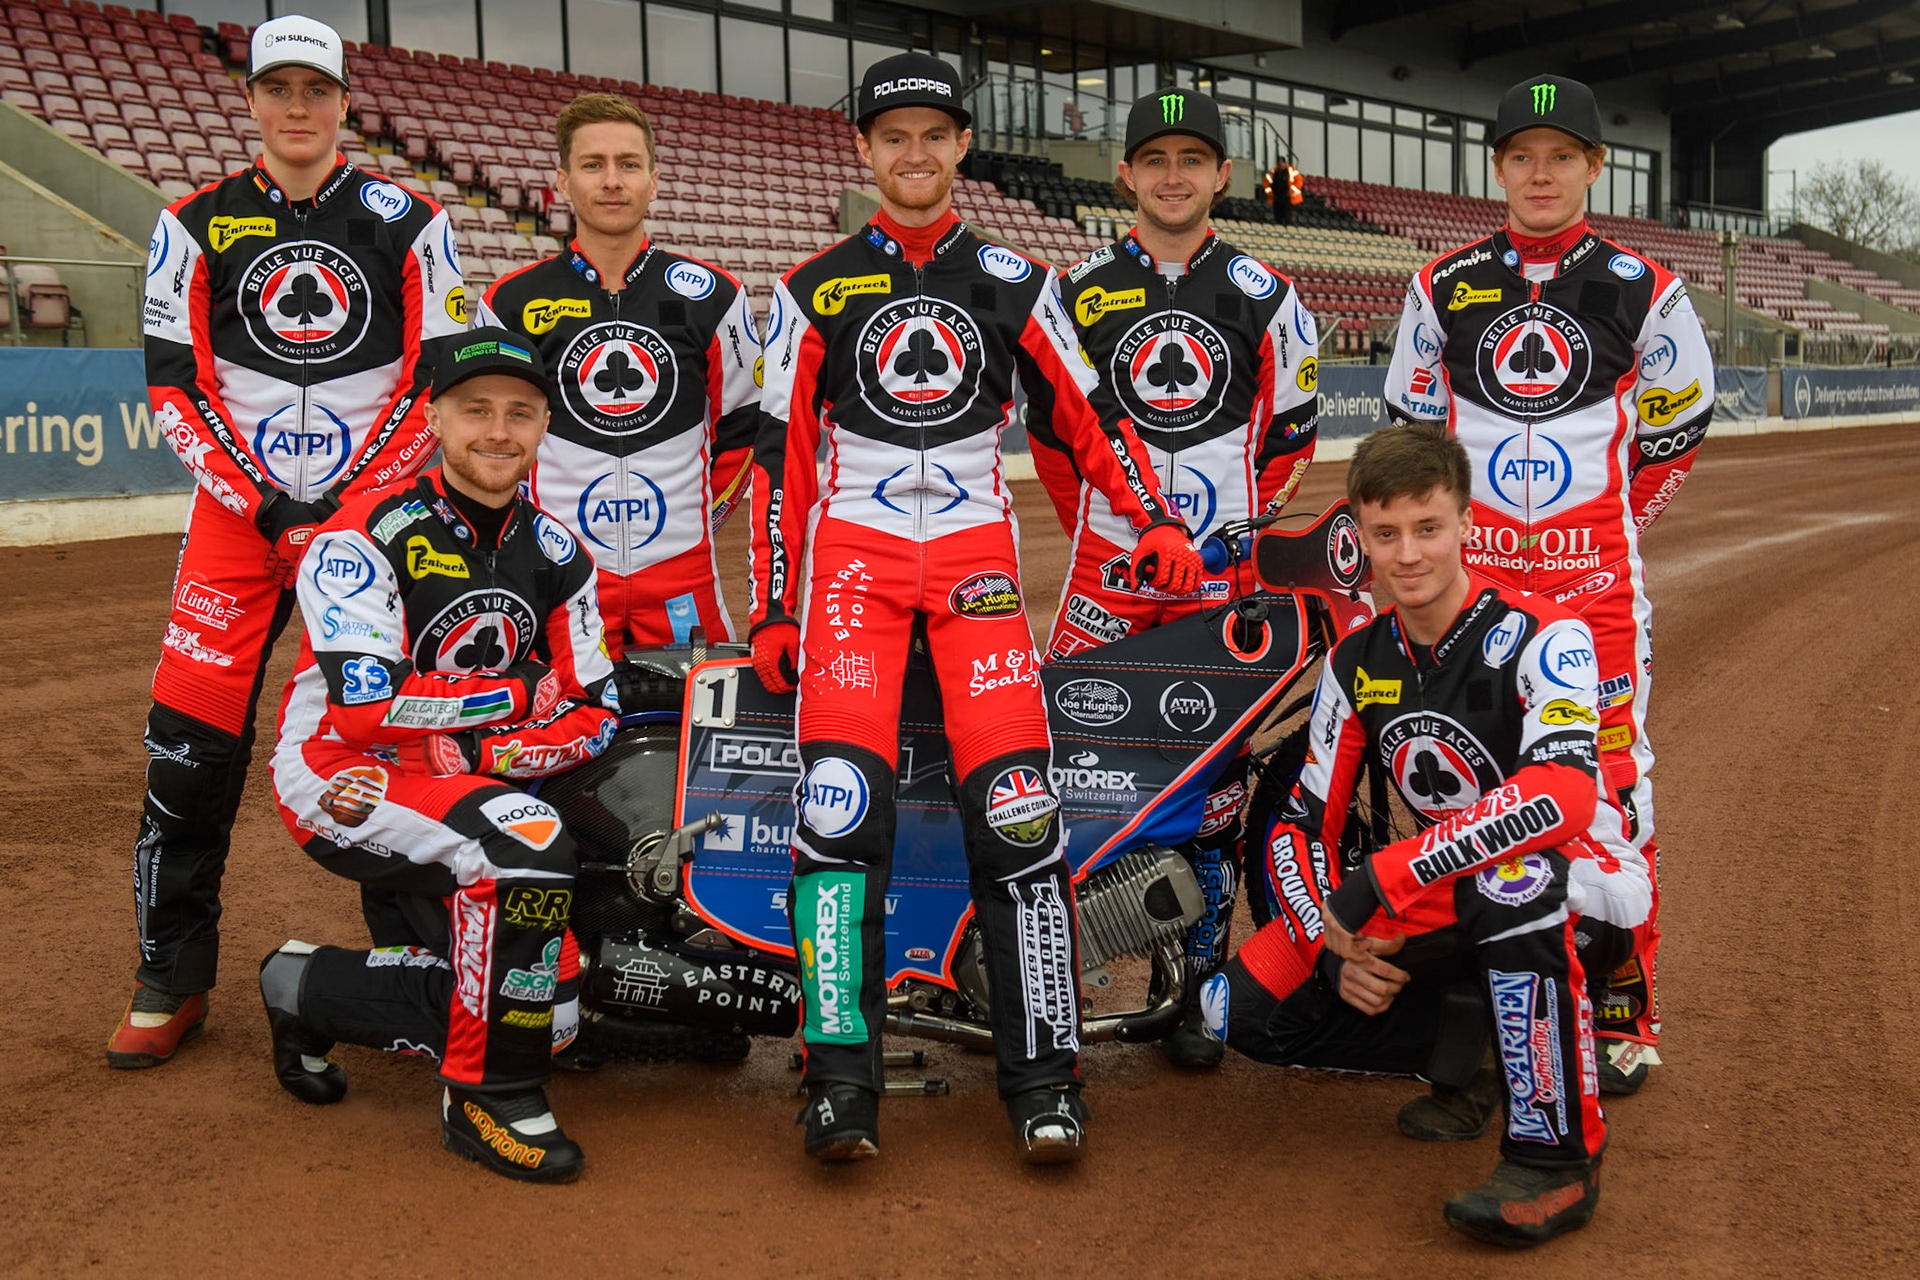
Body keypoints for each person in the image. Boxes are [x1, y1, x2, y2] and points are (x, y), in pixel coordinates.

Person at [749, 52, 1200, 1166]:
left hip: (973, 568)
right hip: (852, 566)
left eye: (933, 133)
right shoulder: (812, 286)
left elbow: (1093, 420)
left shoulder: (1016, 278)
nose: (912, 152)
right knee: (842, 813)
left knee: (1018, 817)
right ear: (864, 149)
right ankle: (838, 1081)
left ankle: (1045, 1079)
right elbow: (777, 459)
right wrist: (771, 604)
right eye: (890, 134)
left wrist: (1153, 520)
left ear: (961, 146)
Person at [112, 15, 466, 1068]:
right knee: (189, 753)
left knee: (389, 736)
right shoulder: (193, 222)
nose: (299, 108)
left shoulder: (413, 218)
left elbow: (435, 376)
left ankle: (417, 976)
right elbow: (174, 386)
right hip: (235, 525)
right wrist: (269, 504)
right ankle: (168, 977)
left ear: (347, 103)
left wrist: (351, 506)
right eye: (280, 90)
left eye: (318, 89)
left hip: (369, 528)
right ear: (254, 101)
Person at [1200, 423, 1652, 1247]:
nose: (1408, 554)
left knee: (1508, 883)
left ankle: (1557, 1161)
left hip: (1585, 883)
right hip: (1442, 890)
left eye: (1427, 528)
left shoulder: (1549, 635)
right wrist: (1329, 939)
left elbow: (1562, 795)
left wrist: (1387, 876)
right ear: (1362, 539)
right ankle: (1477, 1045)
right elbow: (1304, 818)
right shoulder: (1356, 659)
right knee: (1240, 1012)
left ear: (1466, 524)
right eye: (1386, 534)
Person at [1381, 74, 1713, 1091]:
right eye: (1522, 155)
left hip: (1597, 598)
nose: (1539, 172)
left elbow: (1680, 421)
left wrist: (1611, 524)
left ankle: (1623, 1009)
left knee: (1614, 795)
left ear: (1593, 168)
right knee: (1468, 789)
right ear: (1498, 169)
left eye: (1559, 156)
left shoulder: (1643, 286)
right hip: (1472, 600)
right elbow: (1408, 431)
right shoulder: (1442, 284)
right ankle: (1487, 1003)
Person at [258, 329, 619, 1183]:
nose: (498, 431)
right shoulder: (361, 533)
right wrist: (517, 697)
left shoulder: (560, 554)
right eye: (476, 411)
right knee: (526, 839)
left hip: (472, 781)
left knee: (555, 1014)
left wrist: (484, 743)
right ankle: (488, 1094)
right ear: (437, 418)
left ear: (542, 429)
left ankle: (304, 989)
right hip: (339, 772)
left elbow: (596, 709)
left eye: (520, 414)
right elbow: (362, 708)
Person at [1039, 87, 1320, 1069]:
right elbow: (1052, 440)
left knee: (1214, 790)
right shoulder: (1072, 292)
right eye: (1153, 157)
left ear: (1221, 176)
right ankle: (1053, 982)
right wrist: (1108, 530)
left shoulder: (1269, 295)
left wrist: (1222, 540)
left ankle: (1197, 984)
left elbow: (1291, 440)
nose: (1172, 175)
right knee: (1064, 771)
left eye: (1191, 159)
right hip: (1103, 584)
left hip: (1219, 588)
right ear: (1125, 173)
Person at [478, 93, 762, 656]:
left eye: (628, 165)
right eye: (593, 164)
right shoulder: (510, 301)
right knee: (553, 729)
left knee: (698, 728)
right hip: (559, 572)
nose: (612, 181)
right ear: (562, 182)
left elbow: (744, 425)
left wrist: (700, 517)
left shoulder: (713, 296)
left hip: (684, 577)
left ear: (653, 181)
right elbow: (492, 439)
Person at [1263, 156, 1304, 226]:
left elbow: (1299, 182)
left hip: (1288, 198)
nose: (1281, 165)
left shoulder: (1292, 171)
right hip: (1277, 198)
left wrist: (1290, 192)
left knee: (1288, 218)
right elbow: (1266, 184)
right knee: (1278, 218)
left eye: (1282, 163)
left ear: (1285, 163)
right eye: (1279, 163)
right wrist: (1270, 194)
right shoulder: (1273, 172)